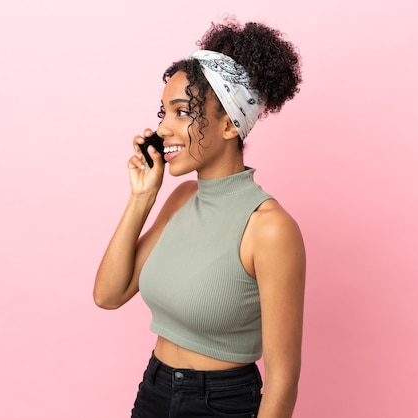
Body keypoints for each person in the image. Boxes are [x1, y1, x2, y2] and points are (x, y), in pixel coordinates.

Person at [94, 17, 305, 418]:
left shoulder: (270, 228)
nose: (163, 128)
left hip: (221, 404)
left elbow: (283, 381)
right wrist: (143, 198)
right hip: (154, 390)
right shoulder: (180, 198)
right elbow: (109, 295)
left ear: (229, 124)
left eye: (181, 112)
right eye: (163, 113)